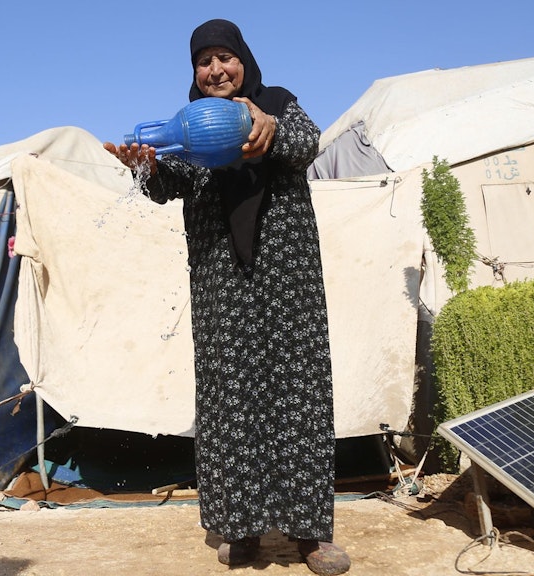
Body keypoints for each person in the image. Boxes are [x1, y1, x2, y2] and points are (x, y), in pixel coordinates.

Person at [103, 18, 349, 575]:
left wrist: (265, 125)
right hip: (218, 281)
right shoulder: (189, 128)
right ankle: (242, 532)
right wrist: (144, 167)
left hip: (288, 281)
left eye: (225, 57)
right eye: (203, 61)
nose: (215, 69)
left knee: (299, 390)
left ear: (244, 61)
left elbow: (306, 145)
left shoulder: (279, 104)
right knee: (228, 395)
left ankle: (311, 535)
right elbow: (169, 187)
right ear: (194, 72)